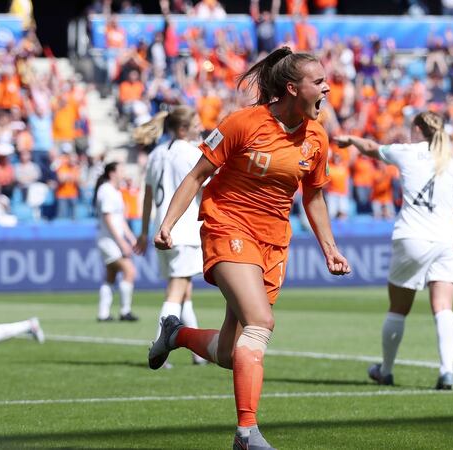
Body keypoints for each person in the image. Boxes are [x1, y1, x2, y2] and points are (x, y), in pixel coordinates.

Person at [148, 47, 351, 449]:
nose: (327, 88)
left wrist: (330, 247)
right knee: (260, 323)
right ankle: (246, 433)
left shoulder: (317, 137)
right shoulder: (242, 123)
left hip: (273, 242)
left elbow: (313, 197)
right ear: (293, 89)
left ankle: (175, 334)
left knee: (230, 350)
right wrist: (168, 223)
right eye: (319, 82)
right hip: (228, 226)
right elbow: (196, 176)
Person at [334, 111, 453, 390]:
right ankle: (447, 372)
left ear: (417, 129)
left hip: (412, 236)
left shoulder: (407, 151)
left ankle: (387, 370)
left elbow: (370, 148)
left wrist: (350, 140)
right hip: (449, 239)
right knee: (443, 307)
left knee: (398, 309)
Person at [134, 106, 207, 367]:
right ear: (183, 129)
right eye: (197, 122)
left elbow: (148, 196)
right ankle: (159, 348)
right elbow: (204, 188)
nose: (201, 126)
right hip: (184, 231)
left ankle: (199, 353)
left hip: (161, 230)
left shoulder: (156, 154)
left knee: (184, 291)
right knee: (176, 293)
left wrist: (143, 232)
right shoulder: (191, 153)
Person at [94, 162, 138, 322]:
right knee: (129, 271)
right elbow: (107, 218)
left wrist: (131, 238)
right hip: (109, 240)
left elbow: (120, 219)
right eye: (121, 170)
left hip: (111, 240)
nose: (124, 173)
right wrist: (121, 242)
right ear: (112, 173)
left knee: (111, 275)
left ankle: (103, 313)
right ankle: (125, 311)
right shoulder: (106, 190)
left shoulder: (115, 191)